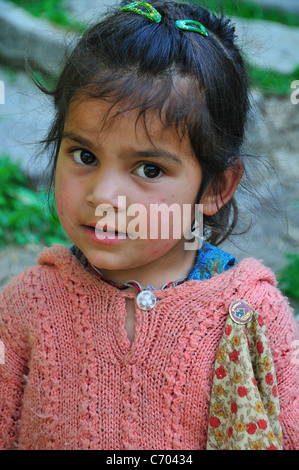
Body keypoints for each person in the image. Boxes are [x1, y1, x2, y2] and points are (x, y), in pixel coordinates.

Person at [0, 1, 298, 450]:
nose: (103, 194)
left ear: (217, 186)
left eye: (149, 169)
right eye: (84, 155)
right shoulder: (28, 304)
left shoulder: (252, 315)